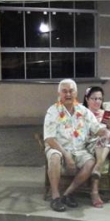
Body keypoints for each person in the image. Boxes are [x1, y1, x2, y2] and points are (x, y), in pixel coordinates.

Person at [43, 79, 101, 212]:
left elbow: (97, 128)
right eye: (64, 91)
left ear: (76, 93)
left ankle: (67, 194)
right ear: (59, 93)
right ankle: (55, 197)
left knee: (90, 162)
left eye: (71, 91)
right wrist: (66, 155)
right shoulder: (53, 111)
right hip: (58, 148)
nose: (68, 94)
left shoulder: (84, 111)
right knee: (54, 157)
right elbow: (50, 139)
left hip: (79, 149)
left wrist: (107, 131)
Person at [82, 86, 110, 208]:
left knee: (107, 134)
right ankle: (98, 167)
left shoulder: (105, 115)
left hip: (103, 145)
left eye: (100, 99)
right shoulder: (82, 114)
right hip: (87, 144)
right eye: (94, 98)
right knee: (106, 134)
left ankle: (95, 186)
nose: (97, 101)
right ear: (87, 99)